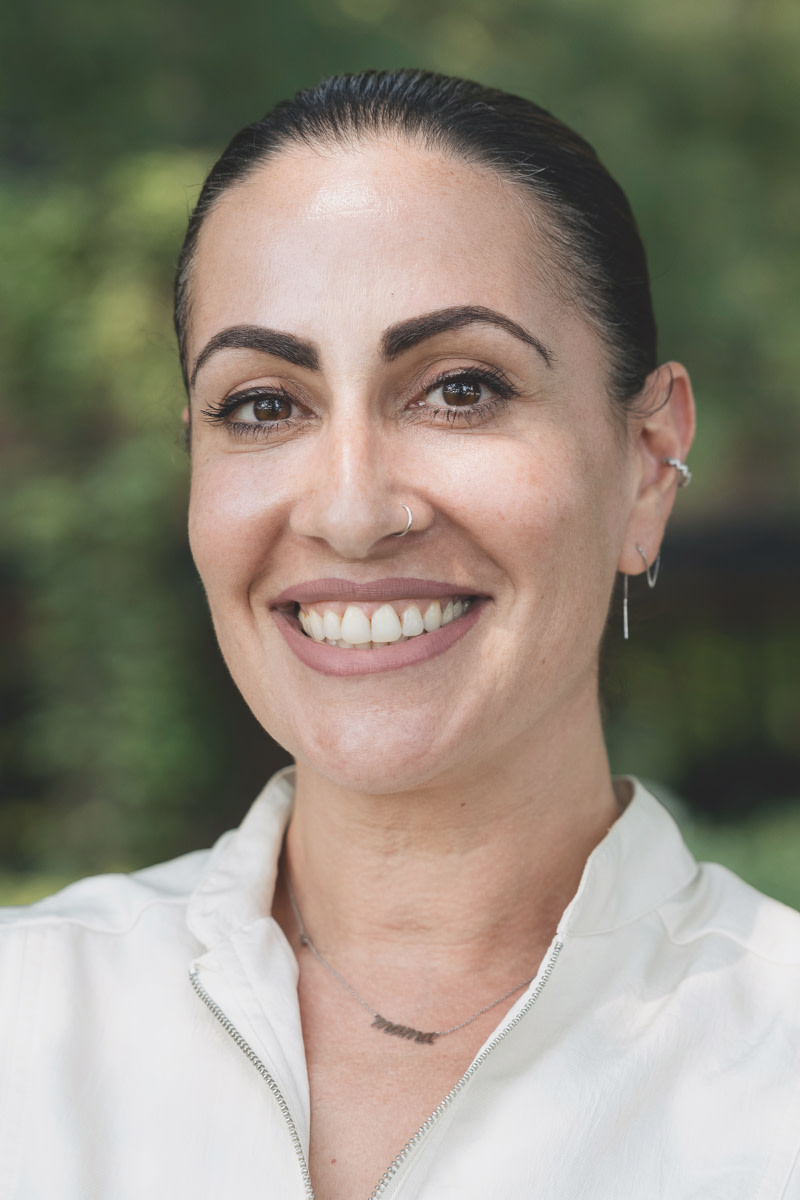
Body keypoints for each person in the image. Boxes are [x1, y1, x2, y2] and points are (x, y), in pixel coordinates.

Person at [1, 69, 798, 1200]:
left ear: (644, 464)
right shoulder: (26, 1032)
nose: (350, 509)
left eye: (460, 388)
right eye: (263, 404)